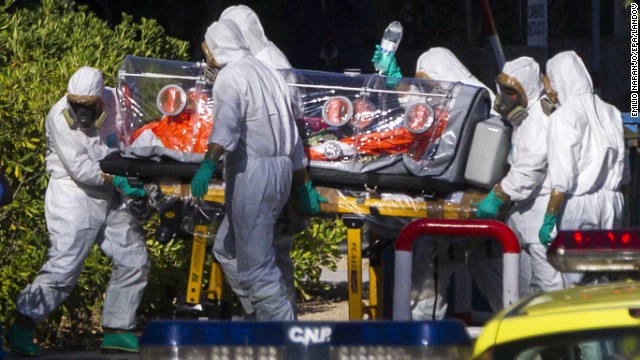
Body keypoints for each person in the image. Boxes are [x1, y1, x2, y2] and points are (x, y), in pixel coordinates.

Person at [7, 67, 149, 356]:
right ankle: (22, 325)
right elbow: (81, 169)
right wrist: (118, 179)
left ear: (100, 100)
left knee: (134, 257)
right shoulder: (58, 117)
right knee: (64, 266)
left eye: (88, 106)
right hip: (73, 194)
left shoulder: (118, 102)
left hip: (111, 193)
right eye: (77, 105)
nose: (82, 113)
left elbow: (133, 138)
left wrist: (142, 174)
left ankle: (118, 329)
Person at [194, 19, 325, 320]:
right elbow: (292, 136)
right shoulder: (268, 73)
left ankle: (286, 337)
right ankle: (262, 315)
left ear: (218, 49)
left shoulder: (229, 78)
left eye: (208, 53)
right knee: (228, 249)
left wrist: (207, 165)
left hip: (252, 175)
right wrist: (302, 184)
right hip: (281, 172)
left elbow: (225, 129)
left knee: (256, 269)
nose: (208, 60)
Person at [366, 48, 503, 321]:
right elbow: (421, 109)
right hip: (452, 207)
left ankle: (533, 339)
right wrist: (399, 84)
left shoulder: (480, 102)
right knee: (435, 275)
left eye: (426, 79)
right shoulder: (450, 98)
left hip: (476, 209)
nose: (423, 86)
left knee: (501, 285)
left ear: (440, 75)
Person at [218, 4, 309, 318]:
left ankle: (273, 322)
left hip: (260, 171)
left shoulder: (259, 66)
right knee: (271, 255)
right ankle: (279, 318)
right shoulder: (265, 62)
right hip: (280, 169)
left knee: (248, 258)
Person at [475, 57, 564, 295]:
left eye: (511, 92)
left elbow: (529, 169)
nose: (504, 98)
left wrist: (497, 196)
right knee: (526, 294)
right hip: (523, 215)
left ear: (528, 89)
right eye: (502, 90)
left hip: (540, 215)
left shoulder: (540, 118)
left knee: (549, 292)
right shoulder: (525, 119)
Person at [540, 51, 626, 285]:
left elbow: (562, 177)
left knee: (574, 282)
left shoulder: (563, 116)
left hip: (578, 207)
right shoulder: (612, 111)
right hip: (612, 203)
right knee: (605, 279)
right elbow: (623, 170)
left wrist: (548, 219)